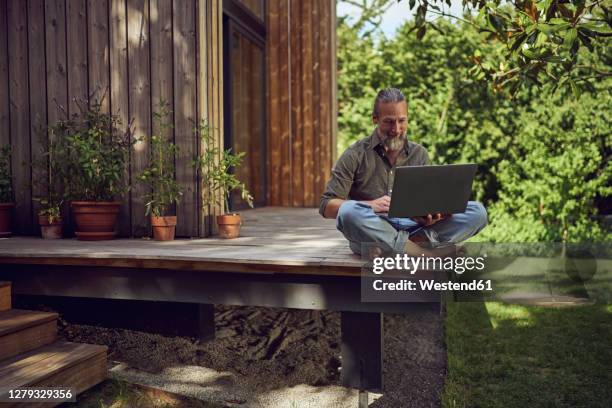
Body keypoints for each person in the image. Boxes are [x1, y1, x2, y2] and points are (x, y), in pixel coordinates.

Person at [319, 88, 488, 256]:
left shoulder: (419, 153)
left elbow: (427, 203)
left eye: (402, 121)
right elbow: (326, 206)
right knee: (349, 212)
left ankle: (397, 248)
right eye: (389, 122)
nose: (397, 129)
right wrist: (370, 205)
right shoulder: (355, 154)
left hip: (413, 230)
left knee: (477, 212)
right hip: (373, 227)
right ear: (375, 119)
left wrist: (431, 215)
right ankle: (425, 252)